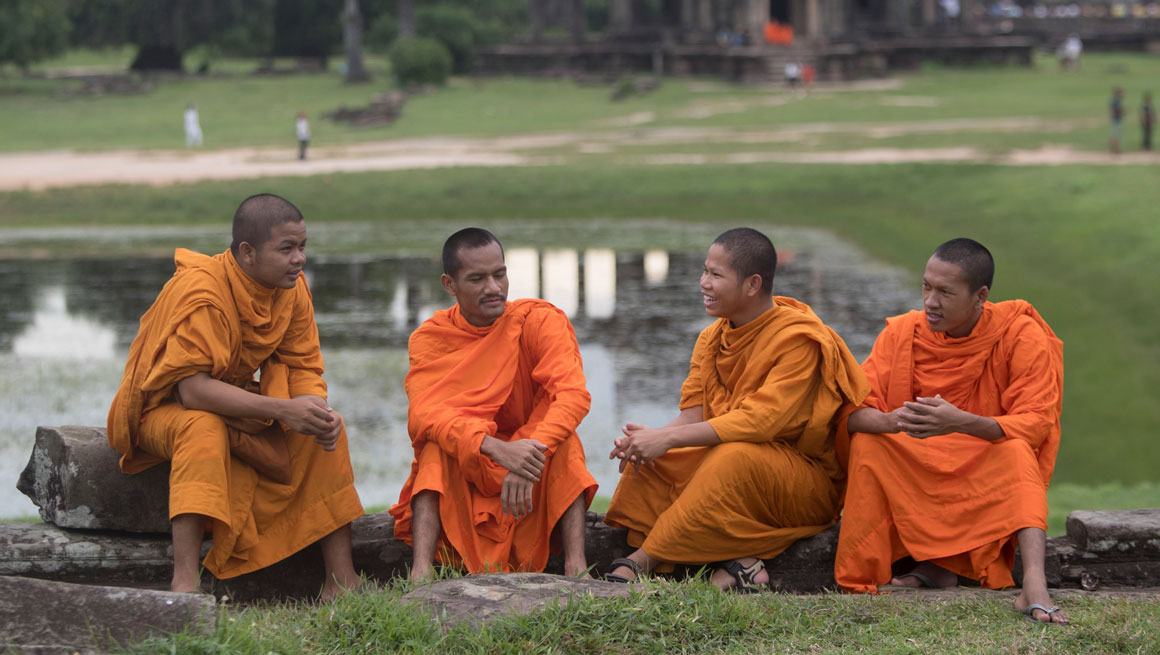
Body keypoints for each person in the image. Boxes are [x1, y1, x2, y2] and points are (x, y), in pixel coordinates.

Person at [106, 194, 364, 599]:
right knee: (201, 427)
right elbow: (191, 391)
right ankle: (185, 584)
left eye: (303, 247)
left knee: (324, 426)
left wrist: (313, 408)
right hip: (163, 411)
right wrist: (282, 409)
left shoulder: (290, 289)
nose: (299, 259)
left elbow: (303, 365)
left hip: (234, 402)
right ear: (247, 252)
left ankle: (341, 579)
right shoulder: (203, 291)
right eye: (287, 249)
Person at [602, 228, 869, 592]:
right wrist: (651, 439)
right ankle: (740, 564)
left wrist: (669, 438)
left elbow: (760, 422)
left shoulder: (798, 340)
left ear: (752, 284)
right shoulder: (711, 338)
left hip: (801, 484)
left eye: (715, 275)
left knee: (731, 459)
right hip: (736, 460)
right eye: (704, 271)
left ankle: (642, 561)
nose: (703, 283)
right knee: (657, 460)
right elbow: (695, 413)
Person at [833, 238, 1068, 625]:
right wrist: (897, 421)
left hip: (980, 453)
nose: (930, 302)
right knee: (870, 443)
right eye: (926, 286)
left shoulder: (1019, 335)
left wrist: (960, 422)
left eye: (945, 292)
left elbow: (1035, 423)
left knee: (1017, 451)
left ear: (980, 296)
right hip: (916, 452)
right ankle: (927, 567)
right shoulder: (903, 333)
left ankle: (1034, 585)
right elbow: (852, 414)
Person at [389, 228, 598, 581]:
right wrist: (497, 449)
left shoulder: (538, 320)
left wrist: (528, 454)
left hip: (530, 465)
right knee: (434, 449)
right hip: (476, 461)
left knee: (566, 443)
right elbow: (426, 415)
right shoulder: (430, 338)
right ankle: (420, 571)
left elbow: (572, 394)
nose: (494, 288)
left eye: (499, 274)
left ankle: (576, 567)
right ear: (449, 284)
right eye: (478, 278)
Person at [1110, 87, 1124, 154]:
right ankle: (1115, 149)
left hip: (1116, 119)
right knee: (1116, 135)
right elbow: (1114, 111)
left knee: (1115, 134)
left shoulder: (1116, 100)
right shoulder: (1116, 101)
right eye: (1121, 92)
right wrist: (1122, 112)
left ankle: (1114, 149)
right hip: (1116, 119)